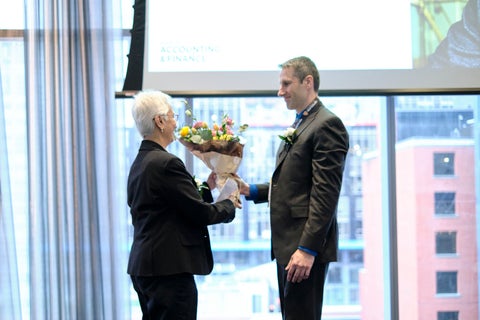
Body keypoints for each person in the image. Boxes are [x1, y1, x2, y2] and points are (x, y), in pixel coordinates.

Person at [237, 56, 349, 319]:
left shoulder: (326, 125)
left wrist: (308, 250)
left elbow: (325, 195)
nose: (280, 91)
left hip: (303, 248)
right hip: (289, 246)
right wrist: (250, 190)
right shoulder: (302, 122)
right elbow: (294, 185)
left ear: (307, 82)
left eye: (286, 84)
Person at [127, 90, 241, 320]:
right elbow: (200, 213)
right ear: (159, 121)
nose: (175, 121)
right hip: (168, 269)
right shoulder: (166, 162)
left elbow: (171, 206)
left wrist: (207, 189)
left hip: (147, 266)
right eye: (172, 115)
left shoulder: (142, 161)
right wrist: (229, 203)